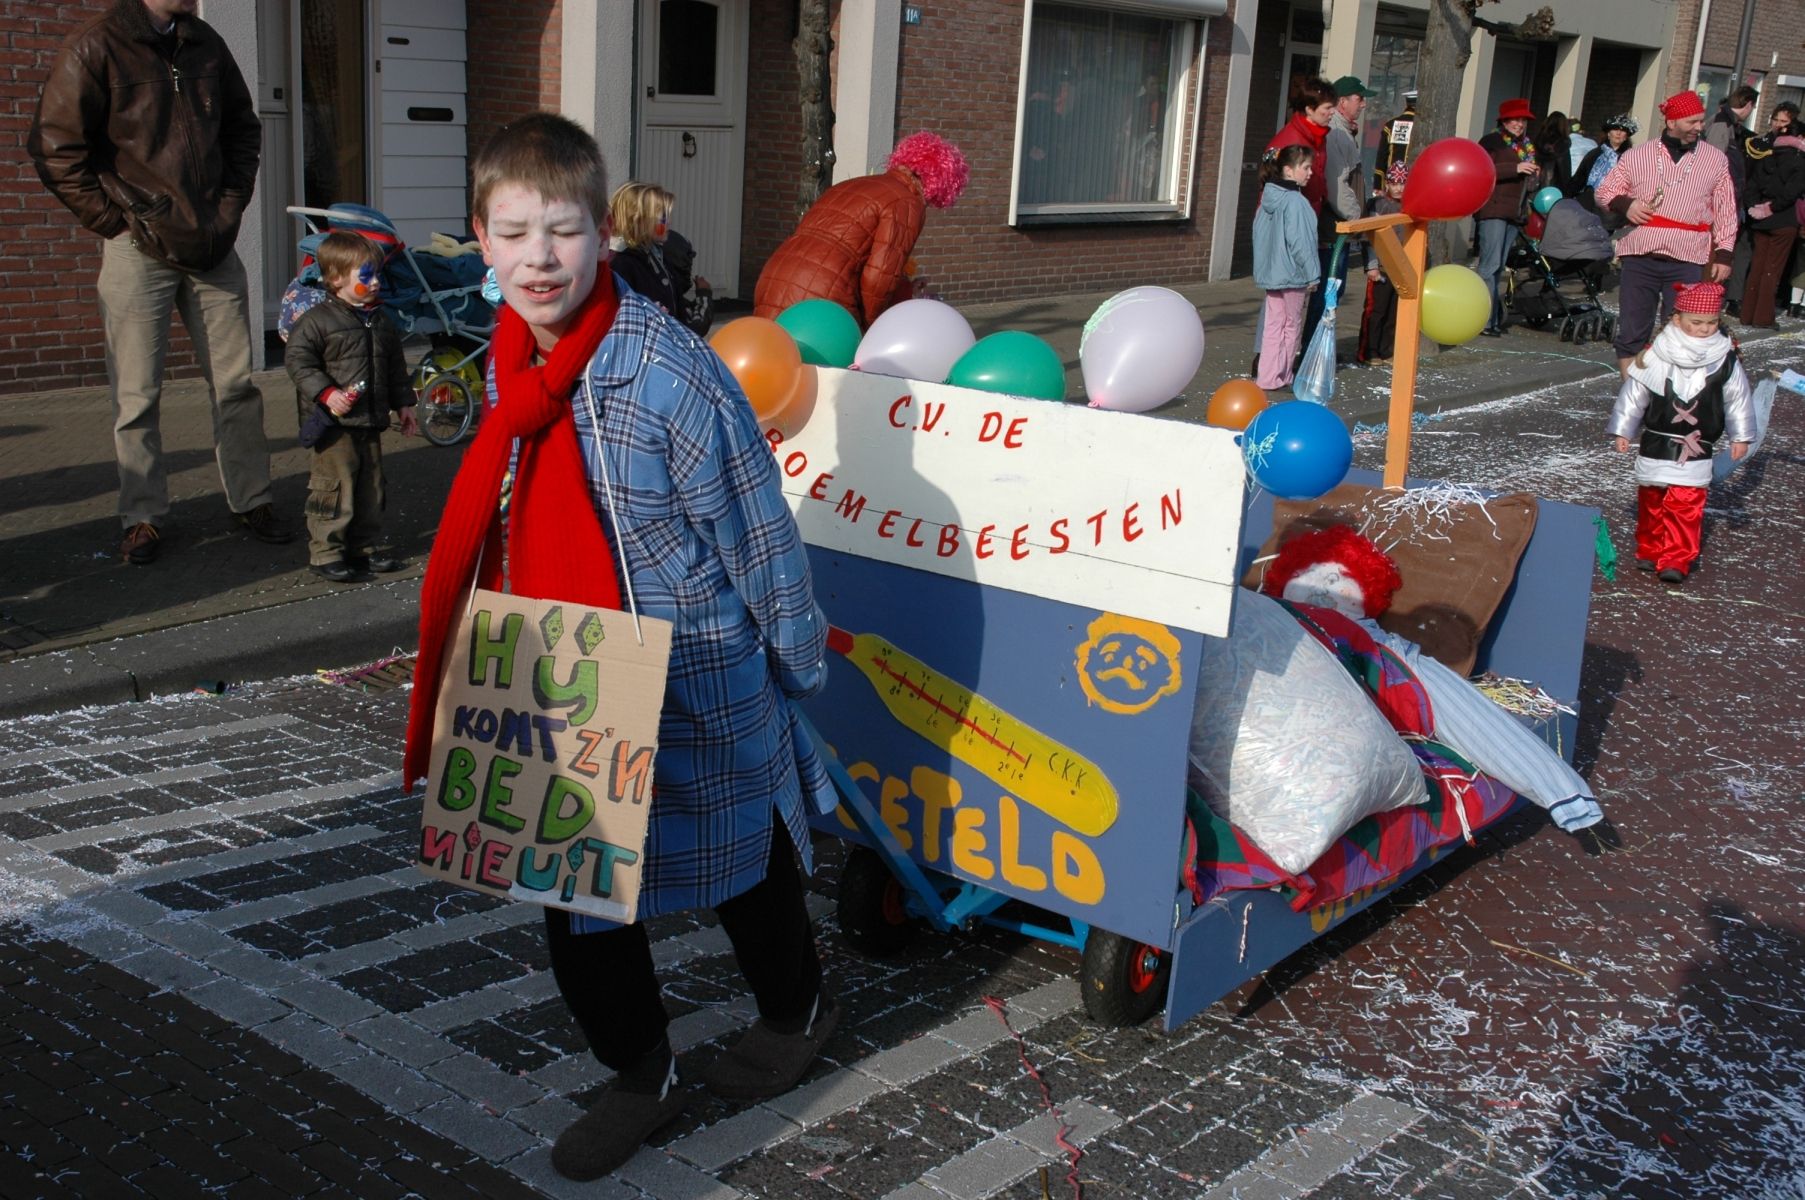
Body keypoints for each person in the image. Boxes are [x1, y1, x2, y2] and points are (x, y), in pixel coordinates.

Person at [402, 113, 837, 1182]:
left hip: (696, 668)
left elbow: (756, 531)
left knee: (744, 864)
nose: (538, 258)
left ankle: (795, 1014)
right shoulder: (508, 357)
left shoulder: (668, 370)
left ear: (603, 232)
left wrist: (794, 663)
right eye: (514, 234)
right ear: (480, 238)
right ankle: (639, 1071)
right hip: (569, 664)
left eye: (561, 231)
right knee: (571, 886)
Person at [27, 0, 295, 565]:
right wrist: (114, 223)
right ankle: (142, 516)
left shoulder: (205, 43)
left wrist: (228, 209)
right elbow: (54, 147)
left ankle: (252, 500)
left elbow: (244, 130)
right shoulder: (96, 44)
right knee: (137, 394)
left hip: (212, 245)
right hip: (136, 246)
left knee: (236, 386)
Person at [283, 232, 418, 583]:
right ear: (336, 278)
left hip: (370, 420)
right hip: (335, 423)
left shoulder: (381, 320)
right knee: (334, 487)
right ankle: (326, 551)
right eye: (366, 276)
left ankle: (363, 547)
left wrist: (404, 404)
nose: (375, 283)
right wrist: (326, 393)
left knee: (371, 488)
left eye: (377, 275)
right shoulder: (317, 321)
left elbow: (395, 367)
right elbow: (298, 361)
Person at [1607, 280, 1754, 584]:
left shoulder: (1724, 359)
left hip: (1698, 443)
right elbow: (1634, 394)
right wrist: (1623, 430)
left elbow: (1737, 398)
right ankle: (1650, 549)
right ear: (1677, 319)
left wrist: (1740, 436)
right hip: (1657, 440)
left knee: (1686, 503)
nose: (1704, 329)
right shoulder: (1656, 354)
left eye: (1711, 323)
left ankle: (1676, 557)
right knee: (1652, 499)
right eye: (1696, 322)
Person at [753, 131, 969, 324]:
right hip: (823, 295)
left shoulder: (850, 185)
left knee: (774, 353)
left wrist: (905, 288)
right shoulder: (906, 201)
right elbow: (880, 278)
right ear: (937, 185)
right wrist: (872, 327)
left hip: (774, 278)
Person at [1596, 90, 1738, 373]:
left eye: (1701, 121)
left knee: (1682, 332)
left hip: (1688, 256)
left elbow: (1726, 208)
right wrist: (1626, 204)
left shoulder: (1715, 159)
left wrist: (1724, 253)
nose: (1699, 127)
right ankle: (1632, 389)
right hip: (1641, 253)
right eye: (1692, 121)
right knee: (1633, 329)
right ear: (1672, 122)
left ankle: (1671, 392)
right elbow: (1605, 191)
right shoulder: (1638, 155)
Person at [1252, 145, 1321, 392]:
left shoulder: (1267, 199)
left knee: (1273, 324)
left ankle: (1267, 376)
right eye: (1306, 167)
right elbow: (1301, 242)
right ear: (1289, 170)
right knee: (1291, 325)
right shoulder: (1296, 202)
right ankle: (1283, 374)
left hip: (1272, 273)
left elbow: (1259, 236)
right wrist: (1312, 274)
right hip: (1294, 274)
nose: (1310, 173)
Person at [1475, 99, 1542, 336]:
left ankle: (1492, 319)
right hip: (1493, 211)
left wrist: (1535, 174)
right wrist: (1515, 168)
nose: (1519, 124)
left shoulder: (1526, 146)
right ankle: (1482, 320)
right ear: (1504, 121)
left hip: (1515, 213)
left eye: (1523, 120)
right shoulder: (1491, 141)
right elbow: (1481, 170)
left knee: (1498, 268)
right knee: (1489, 266)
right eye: (1514, 119)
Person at [1738, 117, 1805, 327]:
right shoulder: (1799, 160)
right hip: (1783, 220)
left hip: (1761, 221)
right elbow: (1791, 193)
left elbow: (1751, 186)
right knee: (1772, 270)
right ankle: (1763, 317)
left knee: (1757, 267)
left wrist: (1755, 207)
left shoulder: (1768, 156)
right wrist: (1772, 208)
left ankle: (1747, 314)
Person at [1358, 163, 1408, 365]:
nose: (1398, 188)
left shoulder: (1409, 205)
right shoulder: (1377, 204)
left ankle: (1386, 350)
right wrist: (1371, 265)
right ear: (1387, 183)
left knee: (1393, 312)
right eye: (1394, 183)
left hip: (1401, 267)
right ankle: (1368, 351)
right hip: (1381, 267)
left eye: (1402, 183)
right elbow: (1369, 236)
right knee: (1375, 311)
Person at [607, 181, 679, 314]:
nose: (668, 222)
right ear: (639, 221)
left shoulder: (655, 255)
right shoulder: (620, 263)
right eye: (662, 218)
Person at [1575, 114, 1639, 212]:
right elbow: (1579, 178)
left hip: (1614, 206)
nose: (1618, 133)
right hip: (1588, 204)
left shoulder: (1631, 157)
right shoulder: (1595, 154)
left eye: (1622, 130)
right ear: (1608, 133)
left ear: (1626, 136)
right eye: (1615, 129)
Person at [1374, 89, 1418, 193]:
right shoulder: (1422, 127)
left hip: (1392, 184)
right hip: (1415, 182)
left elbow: (1381, 157)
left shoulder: (1390, 125)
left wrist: (1378, 186)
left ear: (1406, 104)